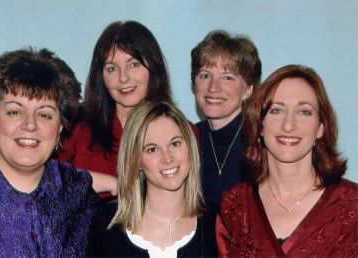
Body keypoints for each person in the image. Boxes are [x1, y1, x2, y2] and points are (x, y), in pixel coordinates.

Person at [0, 47, 113, 256]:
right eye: (15, 111)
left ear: (60, 128)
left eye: (45, 115)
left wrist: (119, 184)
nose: (29, 124)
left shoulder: (78, 193)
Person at [216, 65, 358, 257]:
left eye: (304, 112)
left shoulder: (352, 206)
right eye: (276, 110)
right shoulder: (235, 205)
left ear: (321, 127)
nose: (288, 125)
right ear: (259, 125)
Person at [58, 21, 175, 192]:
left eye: (133, 64)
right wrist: (105, 183)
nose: (123, 78)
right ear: (101, 76)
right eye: (112, 68)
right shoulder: (75, 126)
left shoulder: (180, 131)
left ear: (153, 67)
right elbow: (43, 181)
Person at [90, 101, 218, 258]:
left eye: (175, 143)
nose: (168, 158)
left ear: (190, 148)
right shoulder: (105, 223)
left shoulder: (218, 222)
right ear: (135, 160)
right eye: (152, 149)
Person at [190, 30, 262, 208]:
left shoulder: (261, 140)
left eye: (227, 77)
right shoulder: (187, 137)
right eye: (205, 75)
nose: (213, 87)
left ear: (248, 90)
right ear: (194, 83)